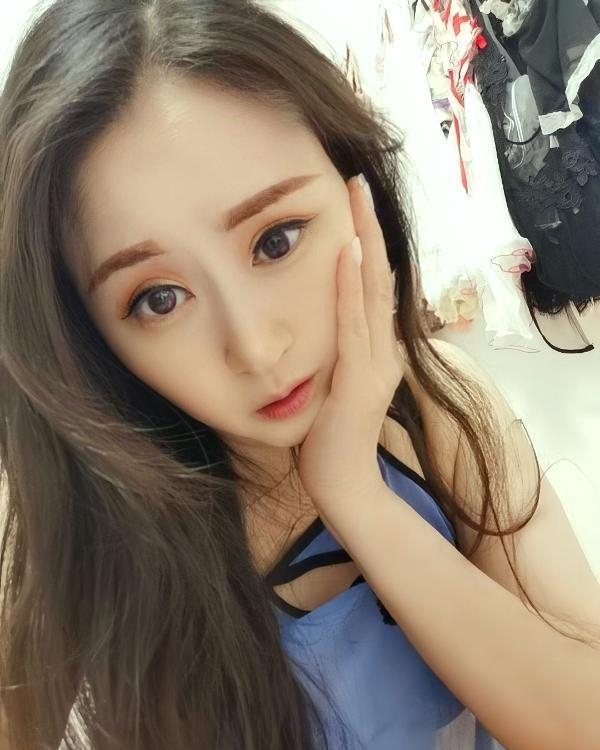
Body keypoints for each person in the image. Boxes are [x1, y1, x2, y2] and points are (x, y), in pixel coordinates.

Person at [0, 1, 599, 749]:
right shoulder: (75, 553)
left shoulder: (438, 406)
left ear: (357, 191)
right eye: (159, 299)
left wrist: (356, 494)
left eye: (276, 240)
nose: (255, 347)